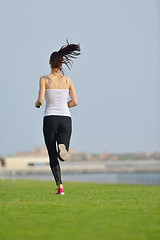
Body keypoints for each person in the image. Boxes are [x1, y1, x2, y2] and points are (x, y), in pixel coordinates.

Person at [35, 40, 81, 195]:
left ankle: (60, 187)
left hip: (50, 119)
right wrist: (63, 104)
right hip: (65, 119)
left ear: (49, 63)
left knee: (51, 154)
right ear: (61, 64)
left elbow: (41, 100)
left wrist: (37, 103)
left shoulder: (44, 79)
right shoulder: (68, 80)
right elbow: (75, 102)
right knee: (63, 154)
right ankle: (64, 148)